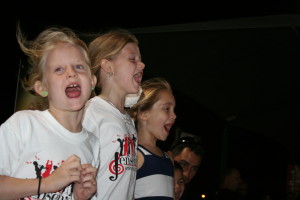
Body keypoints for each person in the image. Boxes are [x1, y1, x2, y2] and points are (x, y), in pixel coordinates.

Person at [0, 25, 99, 199]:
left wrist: (78, 197)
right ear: (42, 88)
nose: (71, 73)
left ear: (92, 81)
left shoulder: (93, 143)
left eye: (79, 66)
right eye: (59, 69)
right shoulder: (23, 124)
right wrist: (47, 183)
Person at [82, 28, 145, 200]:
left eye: (140, 60)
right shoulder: (90, 113)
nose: (142, 65)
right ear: (108, 66)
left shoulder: (128, 122)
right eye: (132, 59)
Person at [128, 77, 177, 199]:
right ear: (144, 113)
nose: (174, 115)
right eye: (167, 109)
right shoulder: (132, 155)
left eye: (173, 110)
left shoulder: (169, 159)